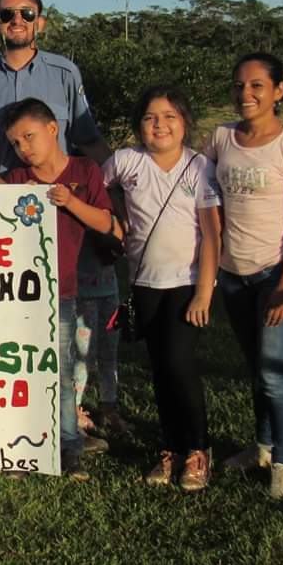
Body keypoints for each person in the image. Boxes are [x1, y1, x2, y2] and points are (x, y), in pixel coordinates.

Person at [205, 54, 283, 500]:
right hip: (234, 274)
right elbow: (203, 196)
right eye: (238, 86)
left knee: (274, 374)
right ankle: (263, 448)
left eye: (256, 86)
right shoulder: (220, 138)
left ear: (279, 91)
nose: (245, 95)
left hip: (275, 272)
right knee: (256, 370)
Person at [104, 85, 222, 491]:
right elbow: (101, 191)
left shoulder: (199, 167)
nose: (161, 125)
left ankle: (198, 450)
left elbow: (211, 234)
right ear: (139, 125)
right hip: (143, 284)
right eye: (151, 117)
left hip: (186, 284)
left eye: (170, 116)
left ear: (185, 122)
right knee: (160, 370)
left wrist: (205, 292)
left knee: (179, 365)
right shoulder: (125, 161)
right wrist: (117, 218)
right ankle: (170, 448)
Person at [3, 98, 115, 480]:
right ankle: (23, 444)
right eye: (16, 143)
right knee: (22, 368)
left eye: (29, 137)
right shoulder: (17, 180)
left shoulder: (85, 171)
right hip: (23, 293)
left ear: (53, 129)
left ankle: (69, 447)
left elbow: (106, 223)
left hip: (64, 291)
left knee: (61, 371)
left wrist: (71, 203)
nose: (24, 148)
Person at [0, 0, 112, 175]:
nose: (17, 20)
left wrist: (120, 182)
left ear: (40, 23)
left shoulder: (65, 73)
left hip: (55, 195)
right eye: (6, 15)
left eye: (27, 13)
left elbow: (88, 139)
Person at [74, 238, 126, 435]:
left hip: (109, 287)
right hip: (82, 290)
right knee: (83, 356)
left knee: (109, 353)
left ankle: (109, 406)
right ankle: (74, 409)